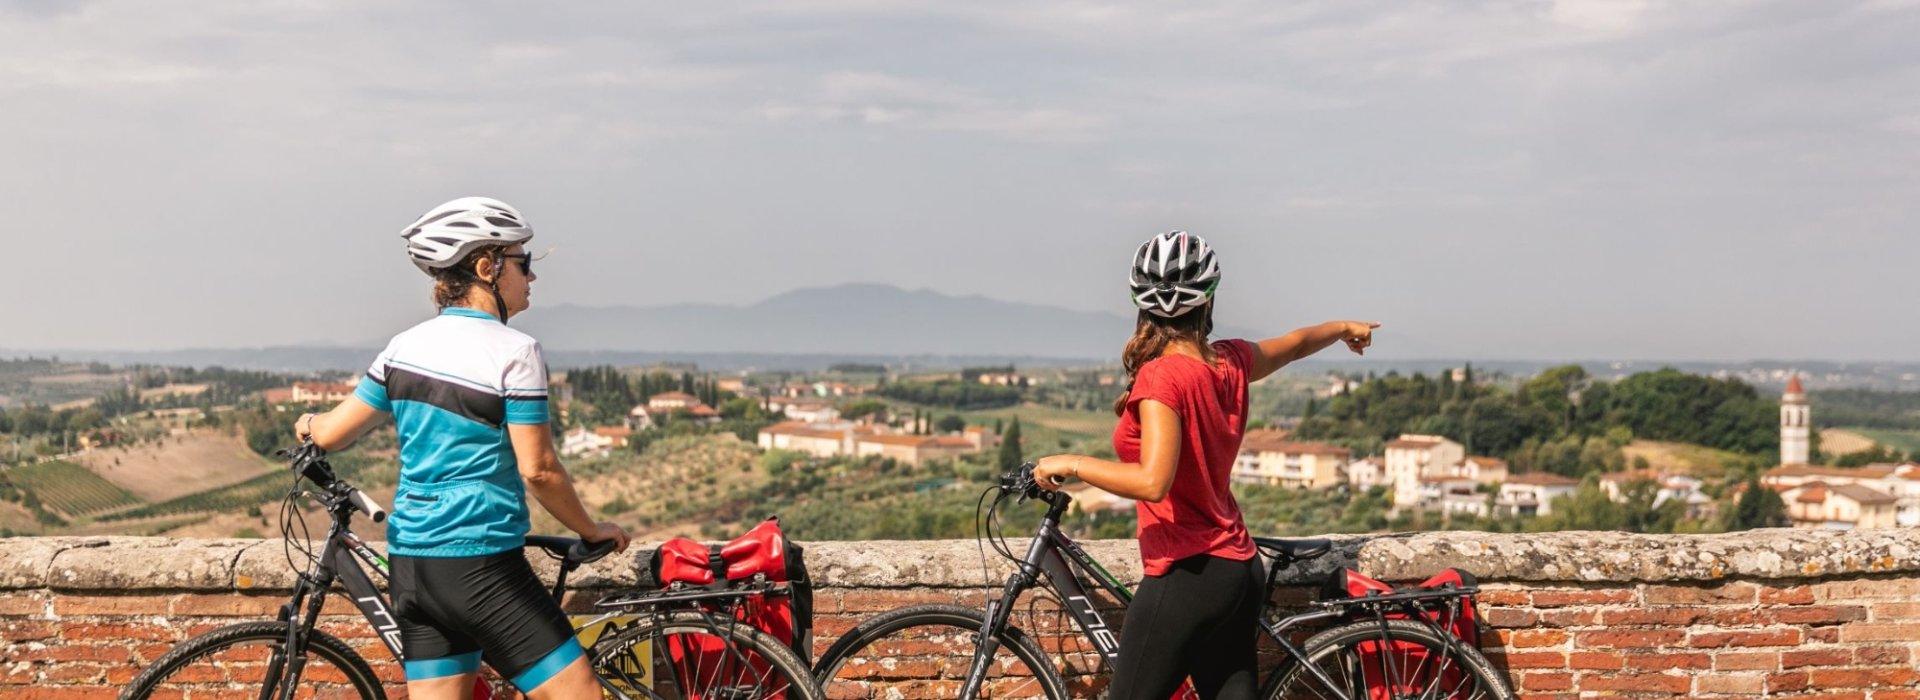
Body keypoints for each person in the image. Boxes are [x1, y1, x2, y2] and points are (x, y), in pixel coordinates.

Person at [294, 196, 630, 699]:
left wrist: (308, 423)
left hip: (412, 566)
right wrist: (592, 529)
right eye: (524, 262)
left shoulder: (403, 347)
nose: (531, 278)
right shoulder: (515, 351)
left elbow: (333, 433)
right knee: (577, 694)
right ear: (485, 267)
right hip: (479, 563)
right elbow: (538, 470)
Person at [1032, 231, 1376, 700]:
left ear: (1141, 304)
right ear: (1207, 299)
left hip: (1188, 573)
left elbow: (1153, 482)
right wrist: (1343, 327)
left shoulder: (1161, 377)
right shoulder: (1229, 361)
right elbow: (1294, 345)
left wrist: (1072, 462)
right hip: (1237, 568)